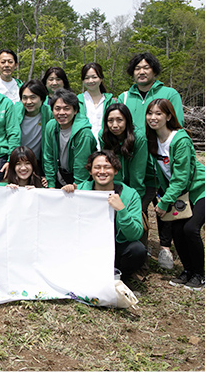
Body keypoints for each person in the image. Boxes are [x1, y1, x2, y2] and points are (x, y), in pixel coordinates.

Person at [117, 52, 185, 270]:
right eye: (137, 68)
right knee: (140, 207)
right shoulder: (125, 97)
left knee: (168, 207)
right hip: (137, 165)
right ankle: (141, 254)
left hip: (162, 164)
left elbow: (177, 125)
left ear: (154, 70)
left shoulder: (169, 93)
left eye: (146, 67)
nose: (142, 71)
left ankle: (166, 248)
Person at [146, 99, 205, 290]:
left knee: (190, 229)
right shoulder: (153, 140)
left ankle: (200, 275)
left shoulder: (180, 139)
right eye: (150, 113)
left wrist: (165, 202)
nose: (153, 118)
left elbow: (182, 177)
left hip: (198, 190)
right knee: (177, 231)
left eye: (158, 114)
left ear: (169, 116)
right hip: (179, 194)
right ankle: (187, 271)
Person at [77, 151, 146, 283]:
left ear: (115, 170)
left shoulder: (130, 195)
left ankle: (121, 279)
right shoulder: (80, 191)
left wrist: (122, 210)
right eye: (97, 167)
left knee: (137, 249)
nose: (102, 171)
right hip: (87, 247)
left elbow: (135, 234)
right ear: (90, 171)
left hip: (116, 247)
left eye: (107, 167)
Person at [100, 103, 149, 244]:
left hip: (139, 183)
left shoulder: (138, 137)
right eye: (110, 121)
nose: (115, 125)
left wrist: (134, 197)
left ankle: (141, 250)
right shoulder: (103, 136)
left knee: (139, 213)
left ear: (127, 120)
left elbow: (138, 172)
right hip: (116, 182)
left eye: (119, 120)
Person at [43, 88, 97, 188]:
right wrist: (51, 185)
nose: (61, 113)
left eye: (66, 108)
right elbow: (48, 157)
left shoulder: (84, 133)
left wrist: (78, 188)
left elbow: (81, 166)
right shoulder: (50, 126)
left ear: (75, 110)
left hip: (80, 183)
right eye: (57, 108)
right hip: (60, 178)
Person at [10, 79, 53, 172]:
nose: (28, 102)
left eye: (33, 97)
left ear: (42, 98)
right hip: (18, 160)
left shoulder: (49, 113)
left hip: (39, 161)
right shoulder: (14, 111)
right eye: (24, 98)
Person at [77, 63, 113, 149]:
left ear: (101, 79)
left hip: (107, 147)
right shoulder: (77, 101)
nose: (90, 81)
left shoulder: (110, 101)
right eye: (86, 78)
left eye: (94, 77)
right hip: (83, 148)